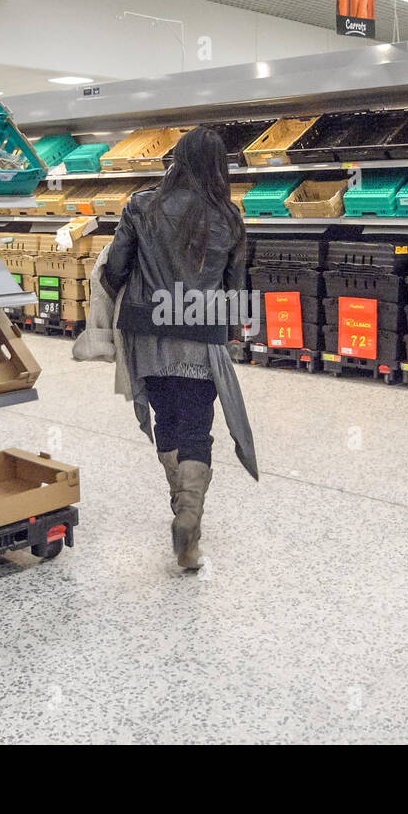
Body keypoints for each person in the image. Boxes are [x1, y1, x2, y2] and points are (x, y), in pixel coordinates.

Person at [101, 127, 259, 570]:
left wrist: (118, 297)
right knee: (196, 428)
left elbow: (116, 266)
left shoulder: (141, 205)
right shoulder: (228, 217)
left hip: (148, 336)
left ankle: (180, 506)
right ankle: (189, 518)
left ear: (176, 159)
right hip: (199, 337)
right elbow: (235, 290)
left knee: (165, 418)